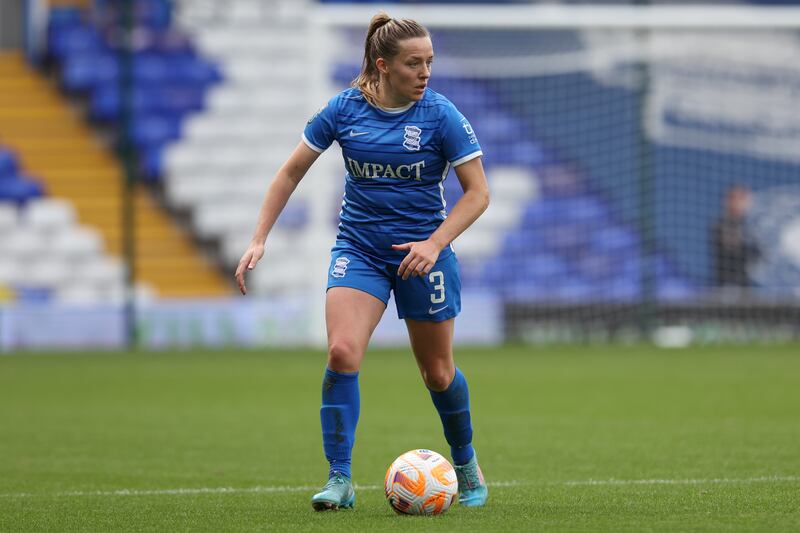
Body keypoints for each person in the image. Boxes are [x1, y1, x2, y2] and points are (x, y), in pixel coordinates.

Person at [235, 13, 491, 511]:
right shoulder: (344, 108)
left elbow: (478, 194)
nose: (425, 73)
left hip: (425, 256)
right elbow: (289, 173)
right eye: (413, 63)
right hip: (360, 250)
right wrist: (259, 238)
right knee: (341, 353)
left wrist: (434, 244)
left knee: (437, 373)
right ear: (382, 65)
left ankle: (464, 462)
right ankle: (340, 479)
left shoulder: (441, 116)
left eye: (429, 62)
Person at [711, 185, 760, 287]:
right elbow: (732, 247)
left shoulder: (751, 226)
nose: (740, 203)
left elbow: (759, 253)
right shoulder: (720, 224)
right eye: (736, 198)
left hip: (745, 287)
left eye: (743, 198)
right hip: (726, 285)